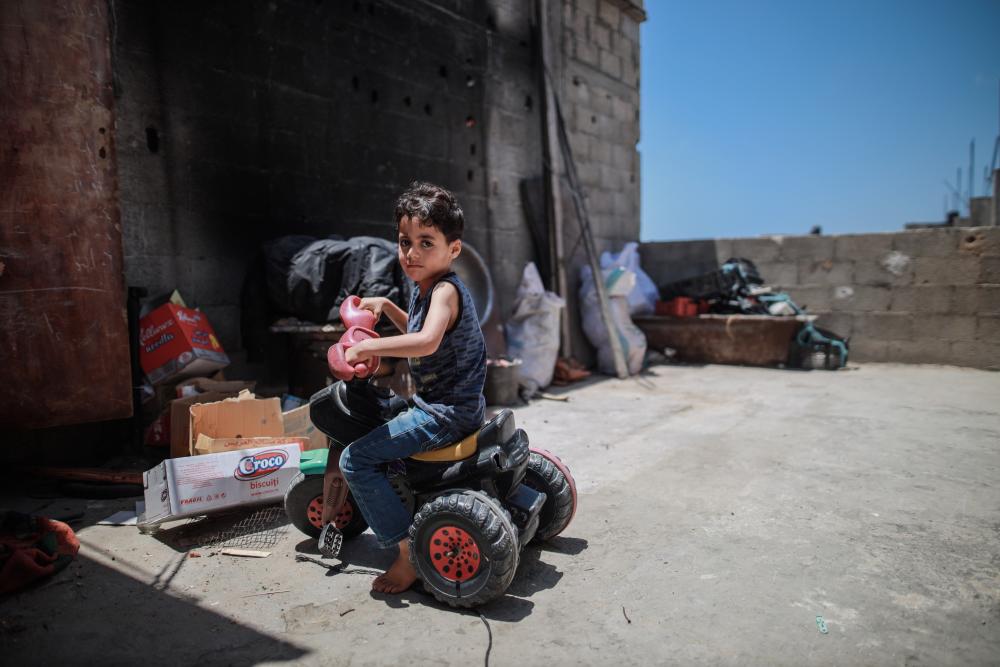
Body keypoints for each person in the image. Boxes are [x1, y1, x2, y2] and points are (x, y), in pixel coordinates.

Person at [340, 181, 487, 594]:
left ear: (452, 250)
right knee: (383, 417)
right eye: (405, 242)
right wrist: (387, 308)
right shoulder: (424, 289)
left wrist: (369, 345)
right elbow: (420, 329)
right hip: (448, 405)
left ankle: (406, 555)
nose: (412, 253)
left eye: (426, 243)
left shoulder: (443, 292)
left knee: (355, 459)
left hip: (444, 414)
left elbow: (426, 341)